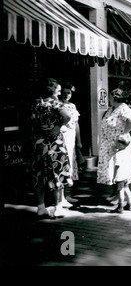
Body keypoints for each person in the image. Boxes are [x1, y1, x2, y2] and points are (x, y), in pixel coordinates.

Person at [29, 78, 72, 219]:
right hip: (54, 142)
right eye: (58, 91)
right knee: (57, 171)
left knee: (39, 173)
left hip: (39, 142)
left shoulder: (36, 103)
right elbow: (67, 116)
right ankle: (58, 206)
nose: (59, 94)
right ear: (52, 90)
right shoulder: (55, 103)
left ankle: (40, 207)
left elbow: (31, 121)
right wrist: (57, 127)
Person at [97, 88, 131, 213]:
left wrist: (124, 134)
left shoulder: (123, 108)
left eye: (110, 96)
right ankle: (126, 203)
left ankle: (120, 204)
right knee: (122, 179)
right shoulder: (111, 109)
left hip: (119, 145)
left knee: (119, 172)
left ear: (114, 97)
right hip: (110, 144)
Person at [59, 82, 82, 207]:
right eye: (64, 92)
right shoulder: (58, 105)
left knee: (71, 165)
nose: (66, 95)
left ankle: (68, 194)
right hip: (62, 137)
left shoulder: (73, 106)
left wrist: (79, 141)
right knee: (62, 164)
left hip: (72, 138)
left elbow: (76, 124)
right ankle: (60, 196)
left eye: (68, 93)